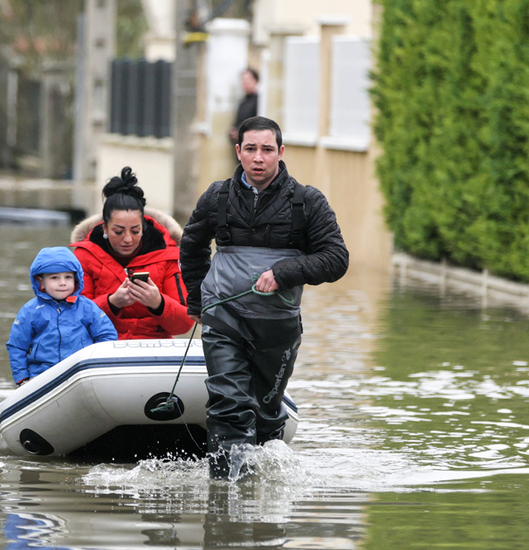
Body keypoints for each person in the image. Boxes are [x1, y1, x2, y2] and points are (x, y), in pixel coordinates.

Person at [179, 116, 349, 480]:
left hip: (278, 327)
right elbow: (191, 247)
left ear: (280, 153)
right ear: (238, 152)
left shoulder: (308, 202)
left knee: (267, 413)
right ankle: (224, 494)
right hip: (223, 319)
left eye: (267, 150)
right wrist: (198, 302)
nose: (259, 158)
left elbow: (336, 259)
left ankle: (262, 498)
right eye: (251, 149)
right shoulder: (216, 197)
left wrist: (284, 272)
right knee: (229, 404)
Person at [70, 167, 195, 340]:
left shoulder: (169, 256)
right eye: (118, 232)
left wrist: (158, 303)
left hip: (155, 349)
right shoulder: (83, 257)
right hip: (100, 347)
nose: (127, 239)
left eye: (135, 231)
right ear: (104, 227)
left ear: (143, 227)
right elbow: (71, 319)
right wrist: (112, 303)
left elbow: (185, 324)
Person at [7, 246, 117, 386]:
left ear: (76, 279)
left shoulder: (87, 307)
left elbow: (107, 335)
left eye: (68, 277)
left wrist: (97, 366)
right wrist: (22, 377)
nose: (63, 282)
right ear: (41, 282)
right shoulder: (30, 310)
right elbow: (17, 346)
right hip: (42, 375)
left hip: (81, 373)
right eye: (54, 277)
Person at [228, 68, 259, 144]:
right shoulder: (242, 102)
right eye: (243, 79)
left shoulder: (259, 101)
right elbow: (237, 122)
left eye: (249, 79)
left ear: (256, 81)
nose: (246, 82)